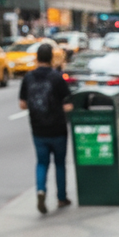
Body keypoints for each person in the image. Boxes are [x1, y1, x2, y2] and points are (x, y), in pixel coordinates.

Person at [18, 41, 74, 214]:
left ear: (37, 58)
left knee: (41, 163)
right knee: (59, 164)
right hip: (58, 129)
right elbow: (69, 104)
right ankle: (61, 197)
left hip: (38, 129)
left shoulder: (28, 77)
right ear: (51, 58)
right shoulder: (57, 78)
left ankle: (41, 190)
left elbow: (22, 104)